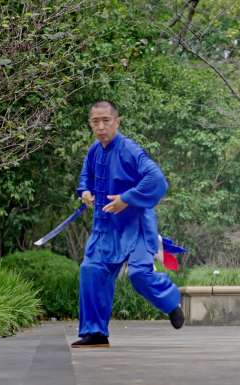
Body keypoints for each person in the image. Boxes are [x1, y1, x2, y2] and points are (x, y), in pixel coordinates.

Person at [71, 101, 184, 348]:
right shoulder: (93, 151)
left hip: (136, 225)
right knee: (91, 271)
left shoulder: (130, 150)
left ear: (116, 121)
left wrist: (127, 199)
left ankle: (171, 301)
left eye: (106, 121)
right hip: (104, 227)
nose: (101, 127)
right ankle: (95, 332)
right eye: (95, 122)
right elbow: (84, 179)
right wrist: (85, 192)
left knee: (139, 275)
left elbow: (157, 180)